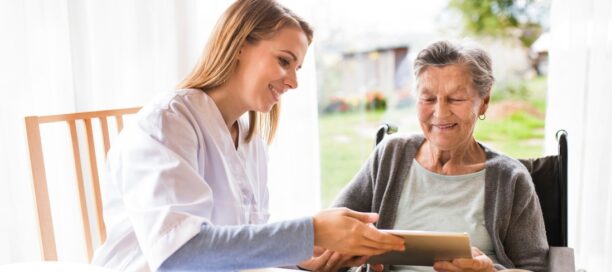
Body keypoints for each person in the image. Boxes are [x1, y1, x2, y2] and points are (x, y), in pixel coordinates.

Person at [91, 1, 404, 271]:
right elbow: (179, 253)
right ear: (239, 45)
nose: (294, 82)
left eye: (297, 68)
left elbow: (240, 239)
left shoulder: (250, 138)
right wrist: (312, 231)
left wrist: (304, 254)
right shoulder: (167, 122)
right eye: (284, 61)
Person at [331, 40, 549, 272]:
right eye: (428, 98)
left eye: (455, 99)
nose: (440, 112)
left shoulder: (511, 178)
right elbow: (330, 234)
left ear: (484, 102)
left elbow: (537, 268)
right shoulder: (391, 154)